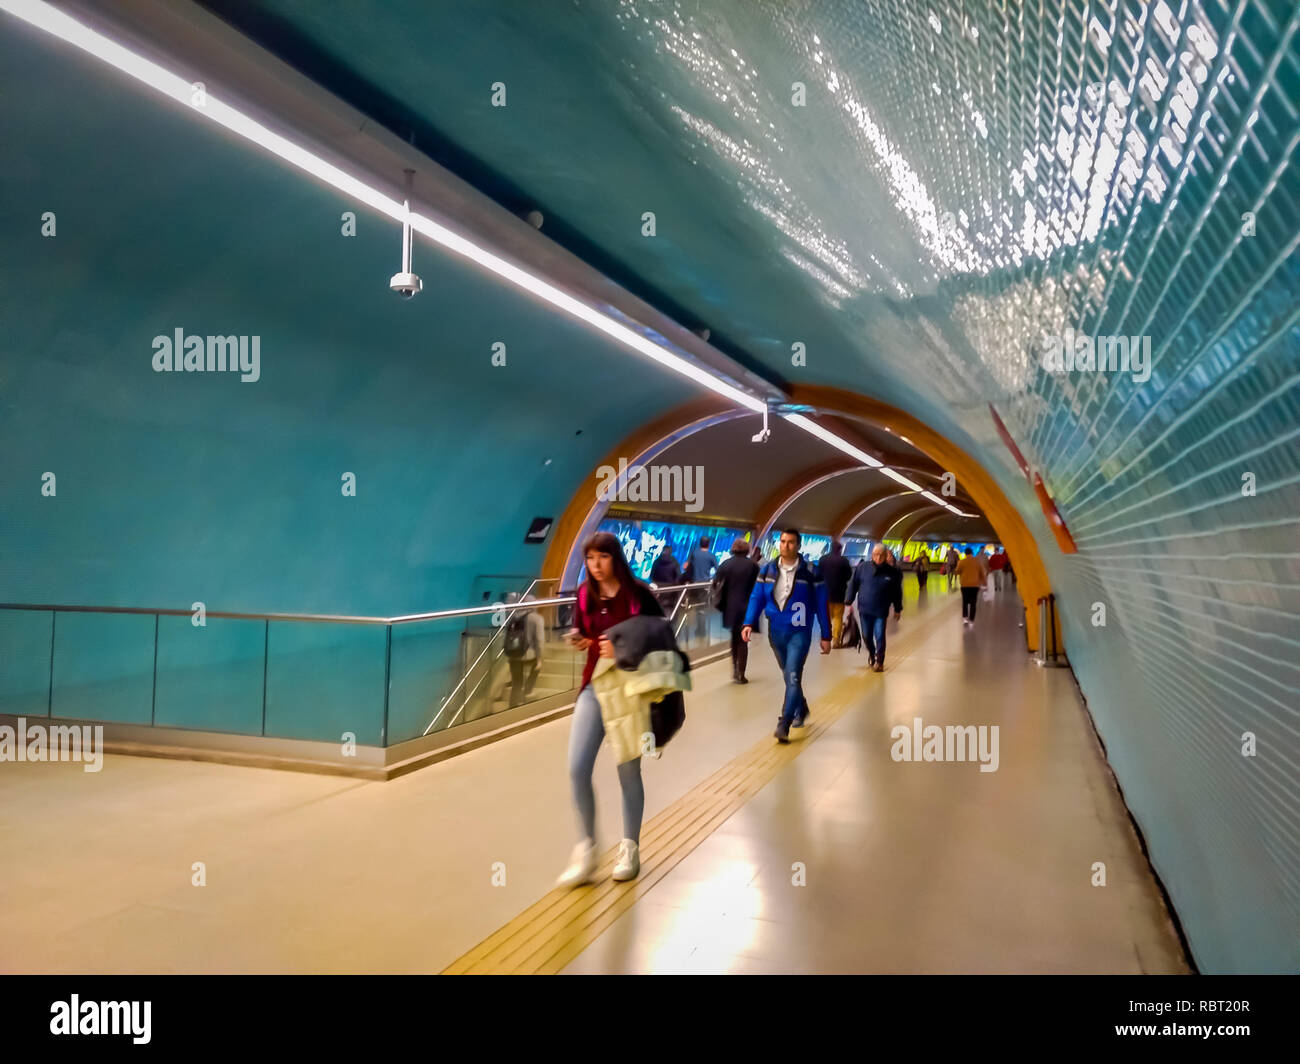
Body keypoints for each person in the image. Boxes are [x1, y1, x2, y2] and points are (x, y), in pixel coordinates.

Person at [557, 531, 664, 888]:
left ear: (616, 558)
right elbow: (586, 630)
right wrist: (583, 641)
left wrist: (622, 653)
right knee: (576, 768)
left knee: (627, 771)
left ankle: (629, 847)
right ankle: (586, 848)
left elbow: (660, 642)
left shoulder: (638, 596)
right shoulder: (585, 594)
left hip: (629, 692)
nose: (595, 566)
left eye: (602, 557)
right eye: (590, 559)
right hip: (593, 688)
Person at [742, 528, 831, 744]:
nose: (785, 545)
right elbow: (756, 597)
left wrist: (826, 635)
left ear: (798, 546)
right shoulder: (767, 570)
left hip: (799, 634)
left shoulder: (811, 572)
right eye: (782, 541)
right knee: (788, 675)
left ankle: (784, 723)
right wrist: (748, 622)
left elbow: (821, 605)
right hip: (776, 632)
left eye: (790, 542)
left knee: (792, 676)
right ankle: (801, 707)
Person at [847, 544, 903, 672]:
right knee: (866, 636)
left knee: (879, 636)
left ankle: (879, 661)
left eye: (881, 555)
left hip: (881, 610)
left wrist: (898, 608)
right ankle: (872, 654)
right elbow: (853, 583)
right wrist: (849, 600)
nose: (878, 557)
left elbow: (897, 592)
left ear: (886, 555)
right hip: (864, 609)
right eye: (875, 555)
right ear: (872, 555)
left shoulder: (892, 572)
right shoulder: (862, 568)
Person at [712, 538, 760, 683]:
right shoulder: (753, 565)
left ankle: (734, 669)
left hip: (730, 607)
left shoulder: (725, 565)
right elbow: (758, 587)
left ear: (733, 549)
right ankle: (741, 673)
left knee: (734, 638)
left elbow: (715, 584)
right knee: (743, 640)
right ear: (746, 550)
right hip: (747, 607)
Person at [502, 591, 545, 707]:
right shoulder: (537, 618)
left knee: (516, 683)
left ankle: (512, 708)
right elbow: (540, 642)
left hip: (513, 654)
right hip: (528, 655)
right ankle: (528, 690)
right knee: (538, 665)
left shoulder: (513, 617)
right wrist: (540, 659)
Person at [818, 540, 853, 647]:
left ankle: (825, 638)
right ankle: (836, 640)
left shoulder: (823, 559)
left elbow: (818, 575)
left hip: (825, 593)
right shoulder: (844, 561)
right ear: (840, 549)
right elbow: (848, 575)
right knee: (837, 617)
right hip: (839, 593)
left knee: (826, 616)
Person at [683, 536, 718, 642]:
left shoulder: (694, 553)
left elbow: (685, 566)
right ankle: (701, 630)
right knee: (702, 608)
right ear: (709, 544)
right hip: (704, 585)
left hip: (693, 584)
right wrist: (712, 579)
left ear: (700, 543)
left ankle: (690, 629)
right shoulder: (711, 556)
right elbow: (718, 570)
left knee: (692, 606)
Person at [955, 547, 988, 628]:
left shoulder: (962, 562)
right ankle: (971, 620)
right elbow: (982, 574)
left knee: (965, 602)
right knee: (973, 602)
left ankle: (965, 618)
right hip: (975, 585)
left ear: (965, 553)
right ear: (972, 553)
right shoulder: (977, 562)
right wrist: (985, 584)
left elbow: (957, 572)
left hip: (965, 585)